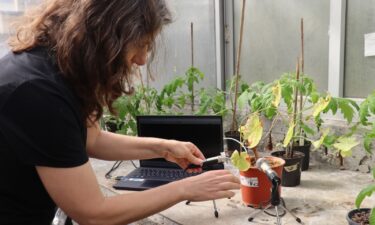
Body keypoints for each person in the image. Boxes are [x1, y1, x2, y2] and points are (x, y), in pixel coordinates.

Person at [0, 0, 240, 225]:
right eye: (141, 45)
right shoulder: (38, 92)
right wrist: (185, 188)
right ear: (107, 37)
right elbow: (92, 213)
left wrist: (163, 147)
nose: (143, 59)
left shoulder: (63, 67)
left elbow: (92, 140)